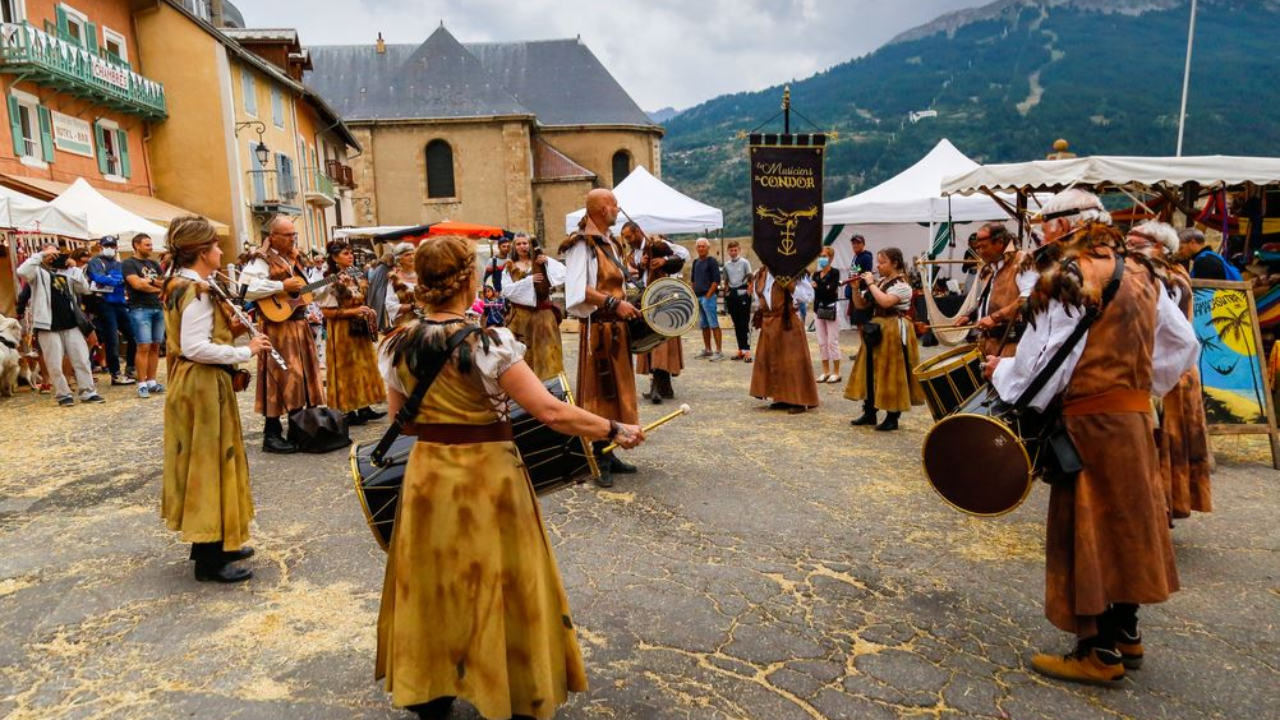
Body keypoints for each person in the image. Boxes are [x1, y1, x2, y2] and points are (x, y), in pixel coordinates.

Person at [375, 235, 643, 720]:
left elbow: (402, 424)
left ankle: (430, 690)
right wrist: (613, 428)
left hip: (427, 475)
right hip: (488, 477)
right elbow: (549, 411)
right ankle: (510, 686)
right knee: (500, 579)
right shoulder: (488, 343)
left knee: (433, 580)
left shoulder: (396, 345)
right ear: (468, 281)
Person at [986, 189, 1198, 687]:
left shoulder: (1067, 275)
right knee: (1127, 524)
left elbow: (1042, 368)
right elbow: (1183, 344)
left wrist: (1001, 373)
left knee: (1087, 530)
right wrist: (1135, 390)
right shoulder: (1143, 271)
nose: (1040, 233)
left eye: (1045, 224)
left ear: (1066, 226)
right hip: (1132, 421)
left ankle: (1097, 652)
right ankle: (1126, 632)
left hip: (1087, 424)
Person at [159, 216, 270, 583]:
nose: (222, 251)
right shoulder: (197, 291)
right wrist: (246, 351)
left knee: (212, 461)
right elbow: (194, 346)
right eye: (216, 246)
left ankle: (218, 542)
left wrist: (230, 330)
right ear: (202, 252)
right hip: (202, 384)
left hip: (194, 381)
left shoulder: (180, 284)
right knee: (208, 464)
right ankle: (209, 559)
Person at [1126, 221, 1212, 520]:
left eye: (1136, 244)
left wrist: (1152, 379)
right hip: (1168, 368)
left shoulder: (1166, 279)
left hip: (1170, 372)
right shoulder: (1158, 274)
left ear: (1160, 247)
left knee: (1165, 442)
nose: (1129, 249)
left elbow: (1175, 336)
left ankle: (1161, 507)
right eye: (1127, 243)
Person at [561, 188, 641, 487]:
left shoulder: (612, 242)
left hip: (616, 329)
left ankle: (611, 451)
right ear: (603, 209)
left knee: (617, 393)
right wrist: (613, 303)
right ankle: (598, 456)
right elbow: (577, 290)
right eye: (614, 205)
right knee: (600, 392)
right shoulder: (581, 244)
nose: (618, 209)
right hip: (598, 330)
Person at [240, 215, 327, 454]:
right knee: (279, 378)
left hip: (299, 325)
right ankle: (271, 434)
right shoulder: (260, 259)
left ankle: (298, 429)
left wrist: (327, 285)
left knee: (300, 378)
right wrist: (281, 286)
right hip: (277, 328)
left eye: (293, 234)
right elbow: (245, 289)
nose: (292, 239)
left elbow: (306, 293)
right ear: (273, 237)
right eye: (287, 235)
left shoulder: (294, 259)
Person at [845, 247, 925, 431]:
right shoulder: (881, 282)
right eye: (878, 262)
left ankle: (892, 416)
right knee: (870, 369)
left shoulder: (903, 285)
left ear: (895, 263)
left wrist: (870, 284)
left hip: (893, 329)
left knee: (891, 372)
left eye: (882, 262)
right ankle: (869, 412)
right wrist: (856, 289)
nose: (877, 266)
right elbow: (861, 305)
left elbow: (886, 302)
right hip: (876, 329)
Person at [16, 246, 106, 406]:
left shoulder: (68, 271)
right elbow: (22, 271)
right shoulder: (36, 271)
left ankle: (88, 392)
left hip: (72, 323)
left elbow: (84, 289)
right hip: (47, 325)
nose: (54, 257)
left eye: (56, 254)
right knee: (54, 362)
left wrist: (74, 269)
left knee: (82, 359)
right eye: (51, 254)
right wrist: (42, 256)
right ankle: (63, 394)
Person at [317, 240, 387, 427]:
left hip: (358, 328)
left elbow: (361, 296)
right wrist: (354, 311)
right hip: (342, 331)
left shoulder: (354, 274)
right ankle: (348, 410)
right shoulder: (329, 279)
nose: (351, 256)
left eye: (351, 253)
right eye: (345, 253)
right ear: (334, 257)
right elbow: (325, 310)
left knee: (362, 366)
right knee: (346, 368)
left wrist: (365, 310)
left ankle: (363, 405)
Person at [624, 225, 688, 403]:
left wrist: (664, 260)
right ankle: (663, 386)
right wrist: (642, 266)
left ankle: (657, 387)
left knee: (661, 344)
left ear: (637, 232)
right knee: (650, 342)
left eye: (629, 237)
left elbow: (684, 254)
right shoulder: (635, 253)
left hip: (664, 298)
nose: (628, 241)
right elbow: (639, 278)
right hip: (647, 298)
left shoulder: (658, 244)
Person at [749, 267, 818, 413]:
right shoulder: (760, 274)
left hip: (788, 322)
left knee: (792, 362)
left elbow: (808, 296)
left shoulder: (792, 272)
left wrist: (791, 286)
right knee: (774, 361)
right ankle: (781, 397)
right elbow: (757, 298)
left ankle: (799, 400)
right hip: (769, 322)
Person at [502, 233, 567, 380]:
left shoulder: (540, 261)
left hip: (544, 318)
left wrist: (548, 261)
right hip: (520, 320)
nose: (522, 246)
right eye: (518, 244)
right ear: (514, 247)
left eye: (525, 243)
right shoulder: (509, 267)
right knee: (522, 356)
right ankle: (526, 389)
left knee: (548, 355)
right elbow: (506, 291)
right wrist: (528, 281)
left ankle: (551, 388)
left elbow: (563, 273)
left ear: (530, 245)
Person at [969, 222, 1036, 358]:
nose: (980, 252)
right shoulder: (991, 267)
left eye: (984, 247)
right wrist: (969, 316)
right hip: (990, 344)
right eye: (978, 248)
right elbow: (990, 300)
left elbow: (1028, 297)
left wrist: (995, 317)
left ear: (1000, 242)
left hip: (1013, 345)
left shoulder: (1023, 261)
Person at [86, 237, 137, 385]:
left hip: (120, 303)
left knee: (133, 336)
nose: (109, 248)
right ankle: (115, 373)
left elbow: (124, 279)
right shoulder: (95, 261)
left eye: (112, 245)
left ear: (116, 247)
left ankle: (131, 367)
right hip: (104, 304)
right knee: (112, 339)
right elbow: (97, 277)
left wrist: (112, 279)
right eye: (107, 245)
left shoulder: (119, 263)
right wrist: (116, 280)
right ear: (100, 246)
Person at [123, 234, 166, 398]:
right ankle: (141, 384)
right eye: (147, 245)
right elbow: (137, 285)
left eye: (151, 244)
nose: (151, 248)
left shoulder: (154, 264)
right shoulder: (129, 263)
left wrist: (151, 282)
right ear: (137, 245)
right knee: (143, 346)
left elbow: (165, 283)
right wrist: (158, 288)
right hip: (139, 308)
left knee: (156, 345)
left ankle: (152, 381)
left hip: (157, 307)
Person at [812, 247, 842, 383]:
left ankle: (836, 372)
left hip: (831, 308)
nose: (822, 259)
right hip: (818, 309)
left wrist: (818, 287)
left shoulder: (835, 273)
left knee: (832, 342)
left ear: (831, 258)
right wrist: (822, 288)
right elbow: (820, 291)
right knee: (822, 342)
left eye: (824, 256)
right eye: (820, 256)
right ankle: (825, 371)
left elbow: (830, 291)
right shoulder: (816, 274)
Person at [690, 238, 723, 360]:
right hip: (698, 297)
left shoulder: (712, 261)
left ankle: (719, 351)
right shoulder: (695, 262)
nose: (701, 248)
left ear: (708, 248)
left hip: (708, 297)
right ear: (696, 248)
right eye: (699, 246)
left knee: (713, 323)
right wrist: (693, 294)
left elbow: (716, 280)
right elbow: (693, 280)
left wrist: (708, 295)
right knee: (704, 325)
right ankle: (708, 349)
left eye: (703, 246)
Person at [722, 240, 754, 362]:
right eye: (731, 250)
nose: (733, 252)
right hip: (732, 295)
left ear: (739, 250)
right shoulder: (726, 265)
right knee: (736, 324)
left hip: (743, 293)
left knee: (744, 323)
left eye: (735, 250)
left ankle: (747, 350)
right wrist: (726, 294)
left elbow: (750, 279)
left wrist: (748, 293)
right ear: (728, 251)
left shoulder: (745, 262)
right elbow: (726, 281)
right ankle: (741, 349)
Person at [1177, 227, 1242, 281]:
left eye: (1181, 248)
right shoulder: (1211, 256)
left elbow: (1203, 291)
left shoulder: (1204, 262)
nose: (1180, 252)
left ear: (1192, 243)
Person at [382, 242, 419, 329]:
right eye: (407, 255)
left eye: (413, 254)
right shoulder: (394, 279)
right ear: (399, 259)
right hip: (404, 324)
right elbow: (390, 306)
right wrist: (413, 307)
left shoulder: (423, 276)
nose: (411, 257)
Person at [846, 235, 875, 329]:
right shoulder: (856, 256)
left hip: (861, 293)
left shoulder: (866, 257)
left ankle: (865, 338)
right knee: (858, 322)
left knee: (863, 323)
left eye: (858, 243)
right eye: (853, 243)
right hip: (855, 292)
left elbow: (867, 275)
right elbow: (855, 271)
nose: (855, 245)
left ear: (863, 244)